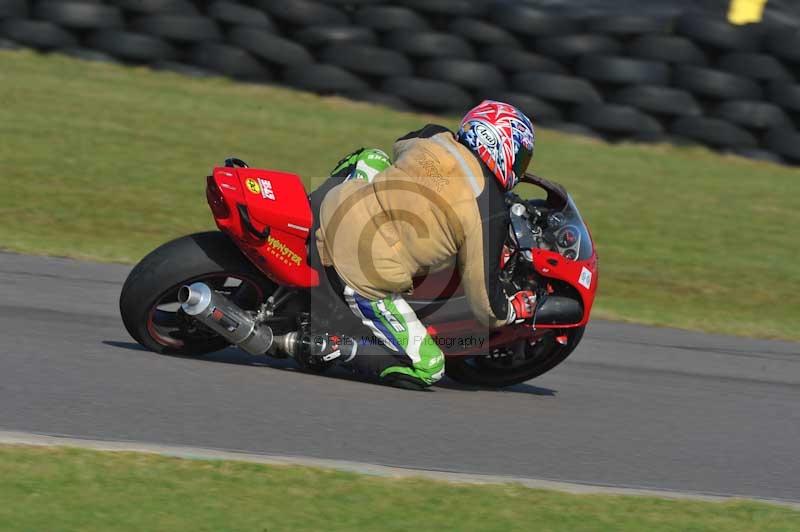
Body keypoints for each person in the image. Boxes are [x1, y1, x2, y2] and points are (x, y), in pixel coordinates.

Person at [304, 100, 538, 390]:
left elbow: (399, 146)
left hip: (336, 204)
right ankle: (334, 346)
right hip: (359, 269)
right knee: (430, 367)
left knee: (371, 157)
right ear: (500, 146)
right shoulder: (490, 209)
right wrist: (514, 308)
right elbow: (486, 306)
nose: (520, 168)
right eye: (520, 157)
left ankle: (305, 213)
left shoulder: (435, 135)